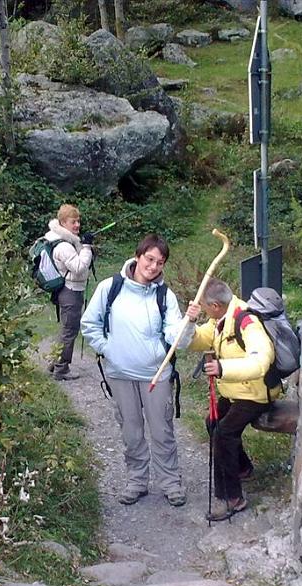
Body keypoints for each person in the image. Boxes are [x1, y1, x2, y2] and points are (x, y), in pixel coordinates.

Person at [81, 234, 195, 507]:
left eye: (160, 262)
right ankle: (137, 481)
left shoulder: (164, 296)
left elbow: (177, 337)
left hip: (156, 375)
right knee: (131, 431)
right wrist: (109, 349)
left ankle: (170, 483)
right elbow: (89, 324)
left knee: (162, 430)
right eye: (150, 258)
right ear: (138, 255)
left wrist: (189, 323)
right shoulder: (110, 288)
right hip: (120, 374)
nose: (153, 266)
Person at [184, 278, 275, 521]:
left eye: (203, 305)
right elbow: (195, 340)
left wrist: (222, 368)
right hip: (236, 389)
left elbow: (260, 362)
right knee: (212, 421)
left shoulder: (246, 322)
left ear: (215, 305)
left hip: (255, 392)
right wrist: (189, 322)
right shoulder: (220, 319)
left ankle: (233, 498)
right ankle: (243, 468)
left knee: (223, 434)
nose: (202, 309)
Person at [44, 204, 94, 380]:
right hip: (70, 291)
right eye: (73, 222)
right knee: (70, 330)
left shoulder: (66, 240)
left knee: (66, 328)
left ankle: (54, 363)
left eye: (78, 221)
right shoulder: (63, 245)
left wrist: (82, 243)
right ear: (63, 222)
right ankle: (61, 369)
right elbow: (79, 267)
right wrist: (87, 247)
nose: (77, 225)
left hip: (69, 290)